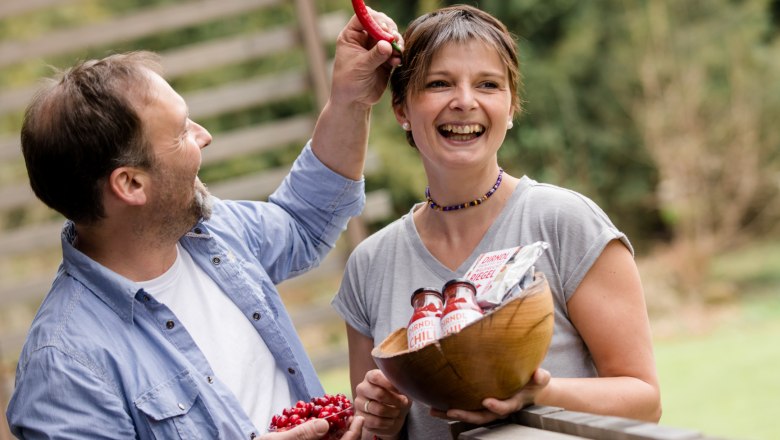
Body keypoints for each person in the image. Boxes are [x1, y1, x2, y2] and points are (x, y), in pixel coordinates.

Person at [5, 8, 403, 440]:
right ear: (131, 184)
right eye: (181, 132)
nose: (203, 136)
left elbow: (301, 220)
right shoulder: (64, 367)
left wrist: (350, 99)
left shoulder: (211, 233)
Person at [331, 5, 662, 439]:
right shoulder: (369, 265)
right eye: (439, 83)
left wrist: (538, 392)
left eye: (487, 84)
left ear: (510, 108)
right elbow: (369, 429)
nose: (465, 101)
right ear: (401, 108)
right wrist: (382, 423)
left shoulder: (566, 222)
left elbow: (644, 401)